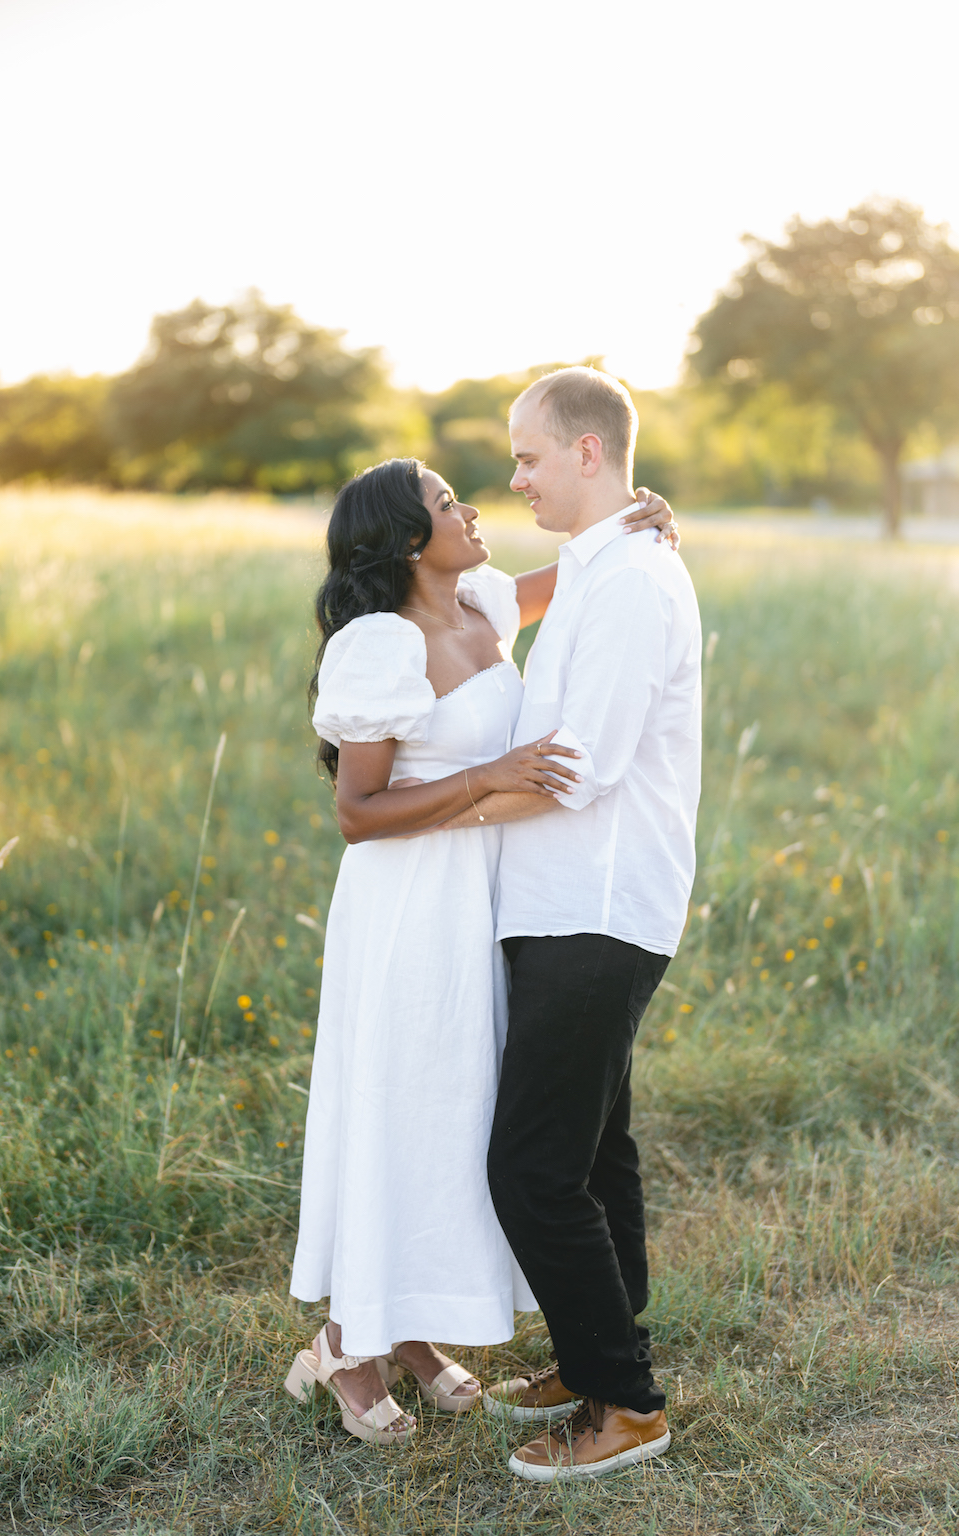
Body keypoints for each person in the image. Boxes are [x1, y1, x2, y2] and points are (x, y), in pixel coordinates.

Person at [283, 455, 678, 1446]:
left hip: (485, 906)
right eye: (448, 503)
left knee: (456, 1122)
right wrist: (492, 775)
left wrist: (638, 519)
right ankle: (346, 1344)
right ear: (410, 541)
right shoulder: (381, 642)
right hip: (408, 908)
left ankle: (410, 1334)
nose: (471, 509)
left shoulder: (485, 604)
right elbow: (358, 812)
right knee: (396, 1109)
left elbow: (588, 580)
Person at [433, 367, 702, 1481]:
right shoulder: (599, 567)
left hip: (597, 907)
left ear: (590, 453)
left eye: (530, 455)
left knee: (532, 1167)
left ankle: (624, 1404)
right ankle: (602, 1351)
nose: (514, 477)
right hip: (558, 907)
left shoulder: (636, 581)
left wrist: (420, 816)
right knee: (594, 1152)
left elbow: (575, 773)